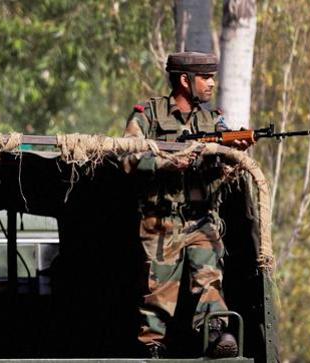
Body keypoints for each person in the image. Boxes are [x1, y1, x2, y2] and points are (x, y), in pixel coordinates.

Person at [122, 52, 243, 358]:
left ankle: (216, 333)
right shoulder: (148, 114)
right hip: (161, 220)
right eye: (206, 78)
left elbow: (224, 148)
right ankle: (152, 348)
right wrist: (167, 163)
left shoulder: (211, 119)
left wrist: (234, 147)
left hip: (201, 220)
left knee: (210, 278)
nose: (212, 83)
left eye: (213, 77)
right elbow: (127, 157)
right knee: (158, 292)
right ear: (184, 80)